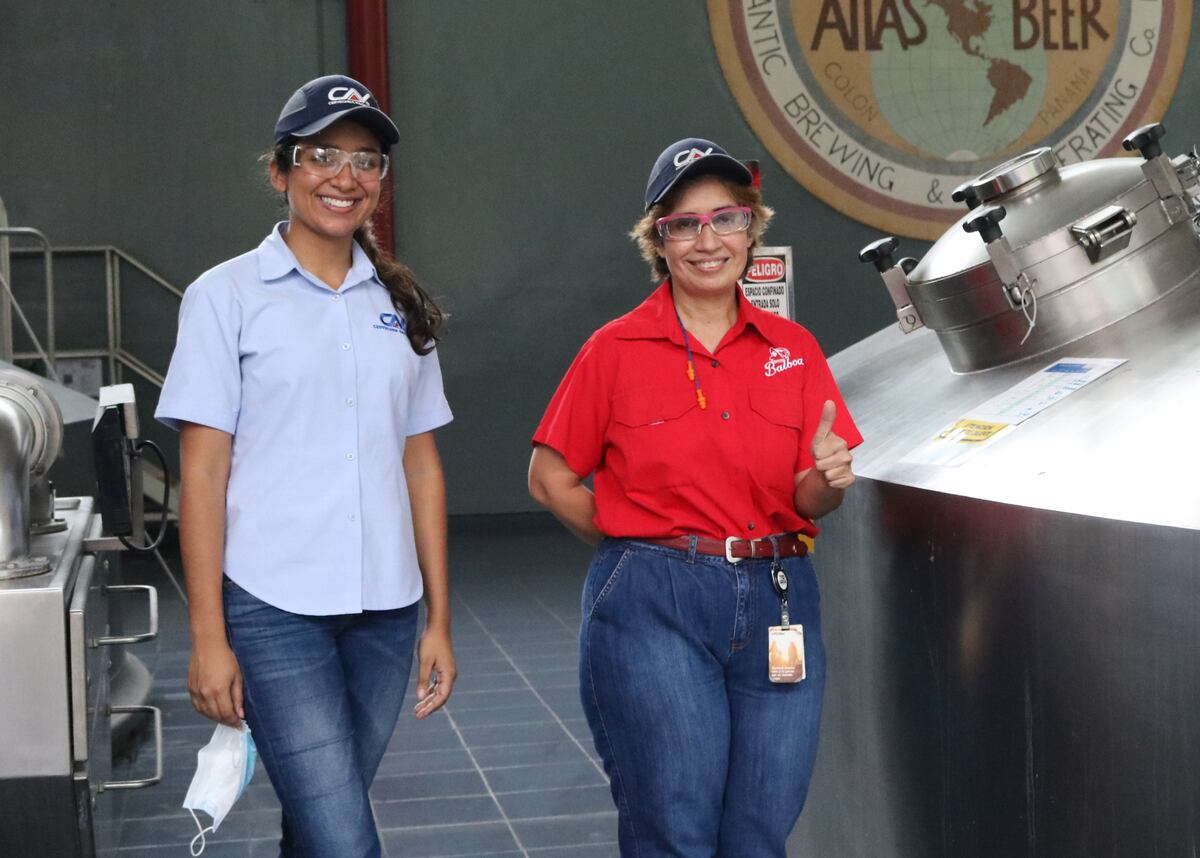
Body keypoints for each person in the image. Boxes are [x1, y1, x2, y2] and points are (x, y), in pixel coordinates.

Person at [528, 138, 862, 857]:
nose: (709, 241)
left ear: (752, 227)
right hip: (653, 605)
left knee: (760, 829)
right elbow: (550, 478)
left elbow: (808, 498)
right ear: (659, 239)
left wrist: (825, 479)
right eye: (685, 224)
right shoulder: (613, 350)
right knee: (674, 828)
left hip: (780, 597)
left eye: (727, 219)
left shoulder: (793, 348)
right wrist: (638, 549)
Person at [156, 74, 457, 857]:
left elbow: (420, 464)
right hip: (272, 607)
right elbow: (203, 476)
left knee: (321, 823)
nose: (345, 177)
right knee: (344, 839)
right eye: (323, 154)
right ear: (282, 169)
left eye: (366, 162)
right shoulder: (224, 298)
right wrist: (207, 636)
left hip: (387, 611)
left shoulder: (398, 305)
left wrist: (440, 620)